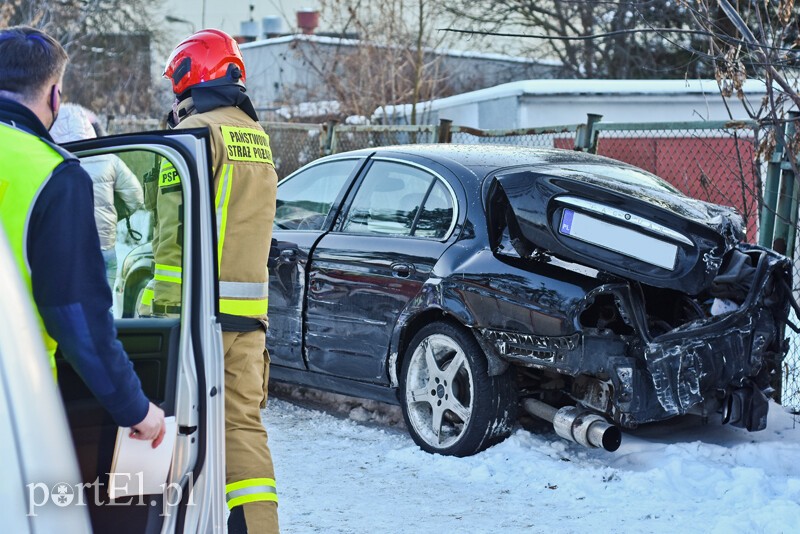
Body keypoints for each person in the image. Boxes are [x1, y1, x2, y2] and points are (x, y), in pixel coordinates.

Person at [0, 26, 165, 447]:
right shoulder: (51, 172)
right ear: (55, 94)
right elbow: (75, 314)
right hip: (16, 404)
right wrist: (134, 407)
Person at [160, 29, 279, 533]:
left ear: (193, 74)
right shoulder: (256, 136)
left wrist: (163, 318)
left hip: (197, 318)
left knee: (173, 432)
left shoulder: (193, 136)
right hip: (249, 319)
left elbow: (172, 238)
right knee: (243, 429)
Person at [51, 103, 144, 288]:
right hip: (104, 247)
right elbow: (136, 197)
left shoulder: (49, 158)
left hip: (65, 249)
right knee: (103, 306)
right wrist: (111, 213)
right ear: (88, 126)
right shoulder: (109, 159)